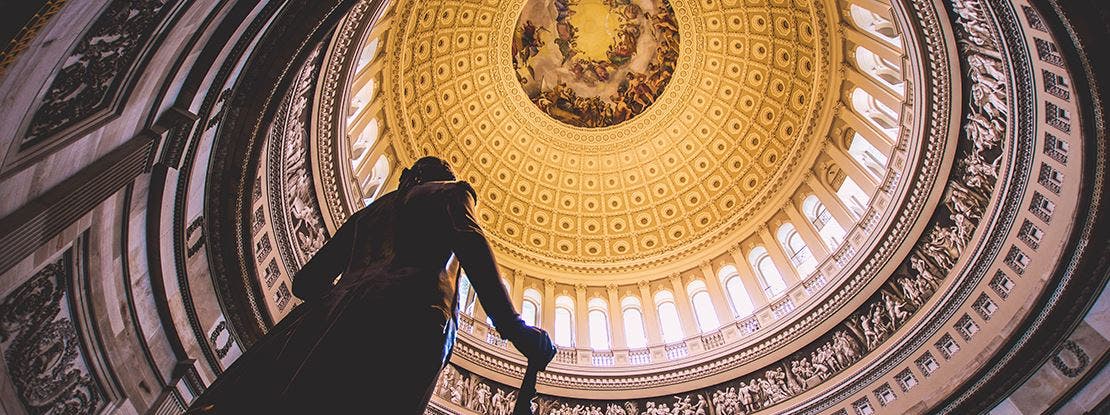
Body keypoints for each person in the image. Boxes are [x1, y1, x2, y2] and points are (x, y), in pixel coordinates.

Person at [187, 156, 555, 413]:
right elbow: (471, 243)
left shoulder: (366, 216)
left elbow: (304, 283)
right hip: (411, 317)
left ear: (407, 176)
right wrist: (513, 327)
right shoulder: (449, 192)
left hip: (328, 319)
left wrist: (341, 296)